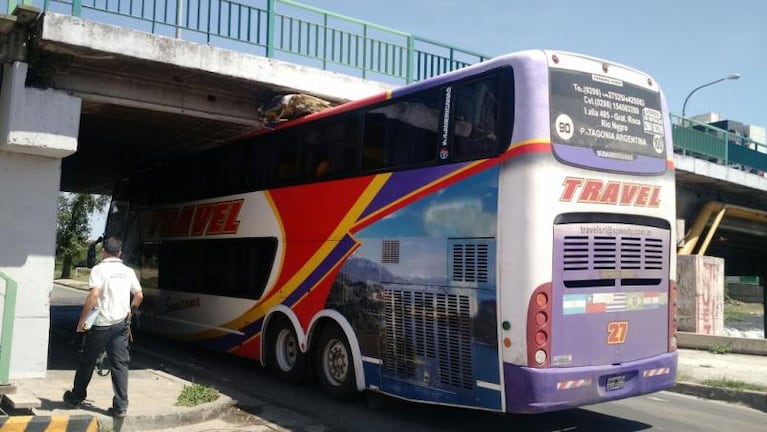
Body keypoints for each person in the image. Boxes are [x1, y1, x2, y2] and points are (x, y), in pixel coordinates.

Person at [63, 236, 143, 418]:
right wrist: (130, 313)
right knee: (120, 365)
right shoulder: (128, 271)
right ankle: (121, 406)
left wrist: (82, 322)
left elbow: (93, 296)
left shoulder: (99, 270)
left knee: (87, 361)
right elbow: (139, 295)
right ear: (120, 252)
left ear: (103, 251)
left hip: (100, 324)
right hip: (121, 325)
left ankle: (76, 397)